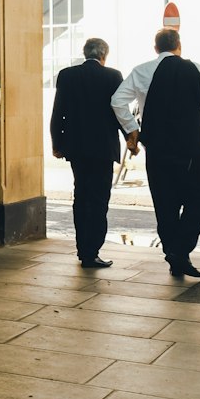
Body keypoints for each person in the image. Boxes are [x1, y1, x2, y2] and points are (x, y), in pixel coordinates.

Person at [111, 28, 200, 277]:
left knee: (165, 205)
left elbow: (118, 100)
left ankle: (174, 254)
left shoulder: (142, 70)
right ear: (179, 45)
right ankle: (180, 251)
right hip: (193, 150)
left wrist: (133, 129)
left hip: (158, 150)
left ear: (156, 48)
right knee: (199, 201)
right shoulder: (197, 69)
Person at [50, 37, 123, 268]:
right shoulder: (113, 76)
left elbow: (58, 112)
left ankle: (83, 249)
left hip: (77, 148)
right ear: (104, 55)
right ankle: (93, 251)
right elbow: (119, 111)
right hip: (103, 149)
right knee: (100, 200)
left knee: (81, 196)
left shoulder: (67, 75)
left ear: (85, 53)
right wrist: (131, 135)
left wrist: (57, 143)